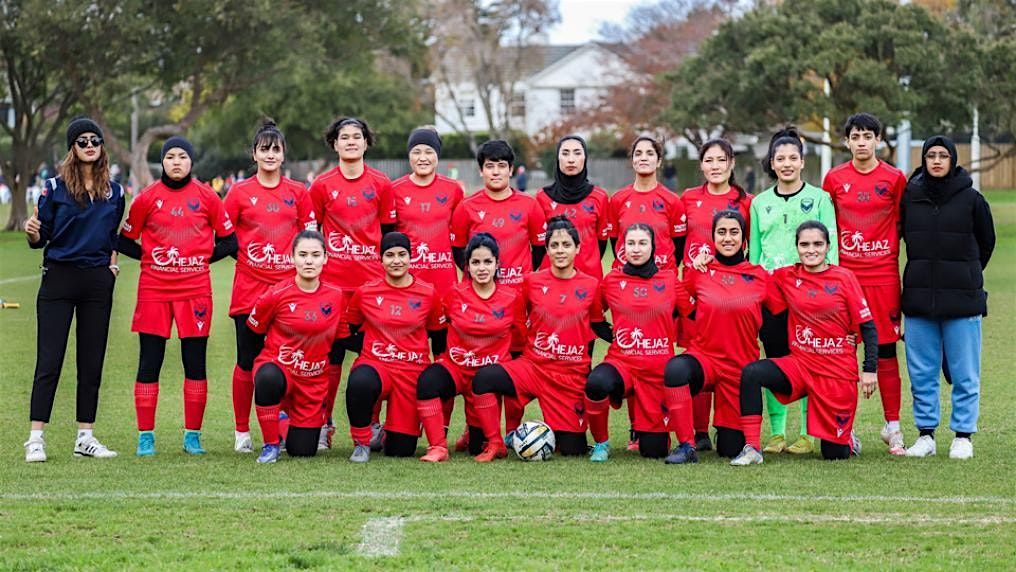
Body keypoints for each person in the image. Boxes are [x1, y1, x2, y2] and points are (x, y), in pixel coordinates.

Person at [117, 136, 237, 456]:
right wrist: (150, 257)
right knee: (149, 362)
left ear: (191, 162)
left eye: (182, 156)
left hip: (195, 291)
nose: (176, 161)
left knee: (194, 363)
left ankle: (192, 436)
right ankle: (146, 437)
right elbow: (124, 241)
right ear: (163, 162)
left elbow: (229, 242)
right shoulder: (146, 198)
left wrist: (199, 260)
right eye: (170, 156)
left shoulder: (208, 197)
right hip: (154, 290)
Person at [732, 220, 878, 465]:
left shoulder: (844, 278)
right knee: (752, 373)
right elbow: (748, 275)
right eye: (805, 244)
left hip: (836, 370)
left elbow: (868, 326)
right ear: (797, 247)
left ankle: (847, 438)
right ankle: (752, 449)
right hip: (800, 364)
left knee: (834, 455)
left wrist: (870, 369)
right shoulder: (787, 276)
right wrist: (706, 263)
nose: (811, 250)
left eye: (818, 244)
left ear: (828, 247)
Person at [22, 117, 125, 462]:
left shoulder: (116, 192)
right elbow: (41, 238)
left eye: (95, 140)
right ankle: (36, 438)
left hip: (97, 282)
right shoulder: (53, 188)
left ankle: (86, 436)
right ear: (72, 147)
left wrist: (110, 267)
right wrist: (33, 232)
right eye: (82, 140)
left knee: (91, 361)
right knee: (49, 360)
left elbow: (113, 235)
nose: (90, 145)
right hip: (59, 279)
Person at [471, 216, 610, 461]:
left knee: (571, 449)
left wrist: (622, 340)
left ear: (578, 248)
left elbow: (597, 325)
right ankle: (496, 442)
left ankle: (555, 433)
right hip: (533, 367)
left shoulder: (591, 285)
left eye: (566, 245)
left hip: (569, 376)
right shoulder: (531, 282)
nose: (560, 251)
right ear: (546, 249)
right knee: (484, 378)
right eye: (554, 245)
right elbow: (516, 320)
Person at [223, 120, 316, 454]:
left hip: (291, 292)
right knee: (247, 361)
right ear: (254, 154)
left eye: (276, 149)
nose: (271, 154)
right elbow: (225, 236)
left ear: (283, 154)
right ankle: (241, 431)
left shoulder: (299, 193)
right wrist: (250, 259)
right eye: (264, 149)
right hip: (249, 292)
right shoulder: (239, 193)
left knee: (289, 360)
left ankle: (287, 424)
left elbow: (310, 239)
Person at [900, 135, 994, 460]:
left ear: (952, 159)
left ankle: (963, 436)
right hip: (918, 301)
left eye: (943, 155)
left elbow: (987, 243)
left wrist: (966, 275)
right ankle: (925, 435)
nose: (937, 160)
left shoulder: (972, 198)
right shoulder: (910, 196)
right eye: (931, 155)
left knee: (965, 372)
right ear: (924, 160)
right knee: (921, 372)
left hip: (963, 300)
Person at [663, 210, 782, 463]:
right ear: (713, 238)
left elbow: (782, 313)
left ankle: (723, 432)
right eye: (722, 232)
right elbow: (679, 298)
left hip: (740, 369)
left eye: (734, 232)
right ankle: (686, 445)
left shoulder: (759, 276)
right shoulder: (700, 271)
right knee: (676, 370)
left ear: (744, 239)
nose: (728, 238)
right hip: (705, 359)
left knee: (730, 448)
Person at [822, 113, 909, 455]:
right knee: (844, 353)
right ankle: (846, 427)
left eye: (867, 136)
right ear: (847, 141)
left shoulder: (894, 178)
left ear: (877, 140)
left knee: (887, 351)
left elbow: (903, 226)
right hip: (844, 278)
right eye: (855, 136)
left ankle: (893, 426)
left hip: (883, 277)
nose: (861, 142)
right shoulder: (834, 179)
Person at [748, 126, 838, 455]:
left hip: (810, 296)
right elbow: (754, 257)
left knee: (811, 361)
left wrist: (829, 293)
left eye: (793, 158)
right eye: (780, 158)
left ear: (802, 161)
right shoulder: (759, 203)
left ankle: (808, 434)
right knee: (776, 359)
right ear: (771, 163)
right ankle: (776, 432)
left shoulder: (819, 199)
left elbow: (833, 250)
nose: (786, 164)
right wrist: (756, 295)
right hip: (773, 298)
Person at [309, 117, 396, 448]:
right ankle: (323, 425)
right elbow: (311, 236)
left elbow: (389, 237)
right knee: (328, 360)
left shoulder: (382, 184)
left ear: (365, 143)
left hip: (371, 290)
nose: (350, 142)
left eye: (356, 137)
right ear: (334, 144)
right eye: (344, 137)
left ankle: (371, 424)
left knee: (372, 359)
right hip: (332, 289)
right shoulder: (321, 185)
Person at [584, 223, 694, 462]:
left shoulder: (669, 279)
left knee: (653, 452)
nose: (636, 249)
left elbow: (692, 314)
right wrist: (616, 337)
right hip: (622, 363)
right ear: (622, 248)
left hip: (657, 371)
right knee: (596, 383)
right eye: (630, 244)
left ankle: (649, 431)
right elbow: (595, 318)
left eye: (642, 243)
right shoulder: (612, 280)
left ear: (653, 247)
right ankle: (601, 443)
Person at [415, 233, 526, 462]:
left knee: (477, 447)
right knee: (428, 381)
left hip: (486, 380)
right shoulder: (454, 294)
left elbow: (519, 340)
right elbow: (440, 328)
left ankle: (477, 434)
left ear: (497, 263)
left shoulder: (512, 297)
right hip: (457, 369)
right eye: (475, 262)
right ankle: (437, 447)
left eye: (487, 261)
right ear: (467, 266)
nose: (482, 267)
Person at [608, 135, 687, 451]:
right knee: (630, 353)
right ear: (632, 159)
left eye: (649, 153)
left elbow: (677, 248)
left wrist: (662, 278)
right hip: (627, 285)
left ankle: (657, 424)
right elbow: (615, 240)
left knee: (654, 356)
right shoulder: (619, 199)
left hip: (660, 287)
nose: (643, 158)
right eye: (638, 153)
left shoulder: (671, 200)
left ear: (659, 160)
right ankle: (633, 429)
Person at [246, 231, 349, 463]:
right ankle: (271, 444)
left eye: (315, 255)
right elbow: (253, 333)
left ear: (326, 258)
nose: (309, 261)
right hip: (280, 368)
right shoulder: (275, 294)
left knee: (303, 450)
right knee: (267, 378)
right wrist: (261, 368)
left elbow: (340, 340)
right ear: (292, 258)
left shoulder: (336, 296)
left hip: (312, 380)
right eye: (302, 255)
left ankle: (282, 418)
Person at [344, 232, 446, 462]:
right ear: (381, 260)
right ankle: (362, 441)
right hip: (377, 364)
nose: (396, 260)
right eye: (389, 255)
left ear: (411, 258)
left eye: (402, 254)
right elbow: (347, 329)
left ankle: (384, 434)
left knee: (400, 450)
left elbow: (439, 335)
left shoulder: (428, 293)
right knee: (361, 381)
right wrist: (370, 348)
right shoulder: (366, 292)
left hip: (411, 371)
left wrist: (439, 369)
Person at [680, 139, 753, 452]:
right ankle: (698, 432)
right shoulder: (687, 198)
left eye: (721, 160)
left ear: (731, 163)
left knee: (728, 357)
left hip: (731, 294)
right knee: (697, 354)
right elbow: (674, 243)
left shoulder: (746, 202)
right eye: (708, 160)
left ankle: (730, 424)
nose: (715, 166)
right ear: (701, 165)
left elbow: (750, 248)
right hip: (697, 289)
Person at [451, 140, 545, 288]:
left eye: (501, 166)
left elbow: (540, 249)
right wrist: (478, 274)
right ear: (481, 171)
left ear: (511, 170)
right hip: (478, 294)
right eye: (489, 166)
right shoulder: (466, 207)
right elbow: (458, 250)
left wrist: (520, 275)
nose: (496, 172)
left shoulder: (530, 205)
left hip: (517, 292)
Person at [392, 128, 463, 294]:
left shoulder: (453, 190)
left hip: (444, 279)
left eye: (429, 152)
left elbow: (461, 237)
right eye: (416, 152)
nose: (422, 158)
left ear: (437, 156)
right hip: (408, 279)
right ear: (409, 155)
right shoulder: (395, 190)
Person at [535, 135, 611, 280]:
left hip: (589, 279)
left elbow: (601, 243)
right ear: (558, 158)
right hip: (550, 281)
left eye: (577, 153)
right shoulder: (542, 197)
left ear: (585, 158)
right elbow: (538, 245)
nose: (571, 159)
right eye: (565, 153)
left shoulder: (599, 197)